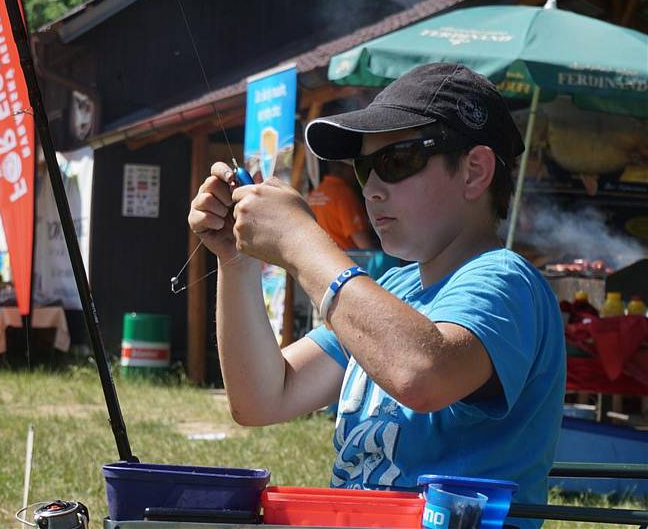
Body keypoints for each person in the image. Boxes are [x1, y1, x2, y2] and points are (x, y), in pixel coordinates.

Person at [188, 63, 565, 528]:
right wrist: (237, 262)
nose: (373, 189)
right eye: (365, 169)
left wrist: (302, 240)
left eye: (396, 162)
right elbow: (263, 398)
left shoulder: (506, 280)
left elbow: (423, 375)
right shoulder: (393, 290)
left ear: (474, 172)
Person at [308, 161, 375, 250]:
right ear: (344, 167)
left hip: (322, 257)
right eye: (354, 167)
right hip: (345, 260)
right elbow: (364, 244)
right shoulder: (343, 193)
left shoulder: (315, 193)